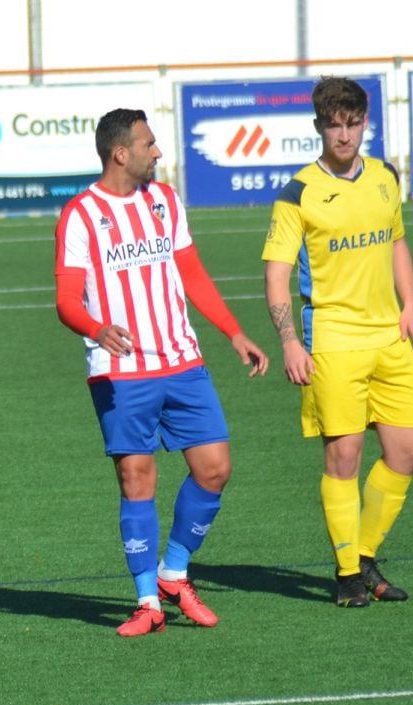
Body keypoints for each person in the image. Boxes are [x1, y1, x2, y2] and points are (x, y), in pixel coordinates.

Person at [54, 108, 269, 637]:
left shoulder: (165, 201)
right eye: (149, 144)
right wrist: (96, 326)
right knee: (137, 480)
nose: (158, 152)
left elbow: (190, 271)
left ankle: (175, 571)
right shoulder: (81, 215)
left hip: (182, 359)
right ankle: (147, 600)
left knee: (215, 468)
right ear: (119, 153)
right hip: (121, 370)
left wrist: (232, 331)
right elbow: (65, 299)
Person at [262, 76, 413, 608]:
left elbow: (396, 241)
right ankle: (347, 573)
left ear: (363, 124)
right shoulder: (298, 194)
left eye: (353, 124)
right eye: (334, 125)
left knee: (407, 450)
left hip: (390, 338)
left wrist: (411, 305)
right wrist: (290, 341)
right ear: (318, 127)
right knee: (344, 459)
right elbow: (277, 274)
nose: (345, 135)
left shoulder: (384, 176)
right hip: (331, 342)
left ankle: (367, 555)